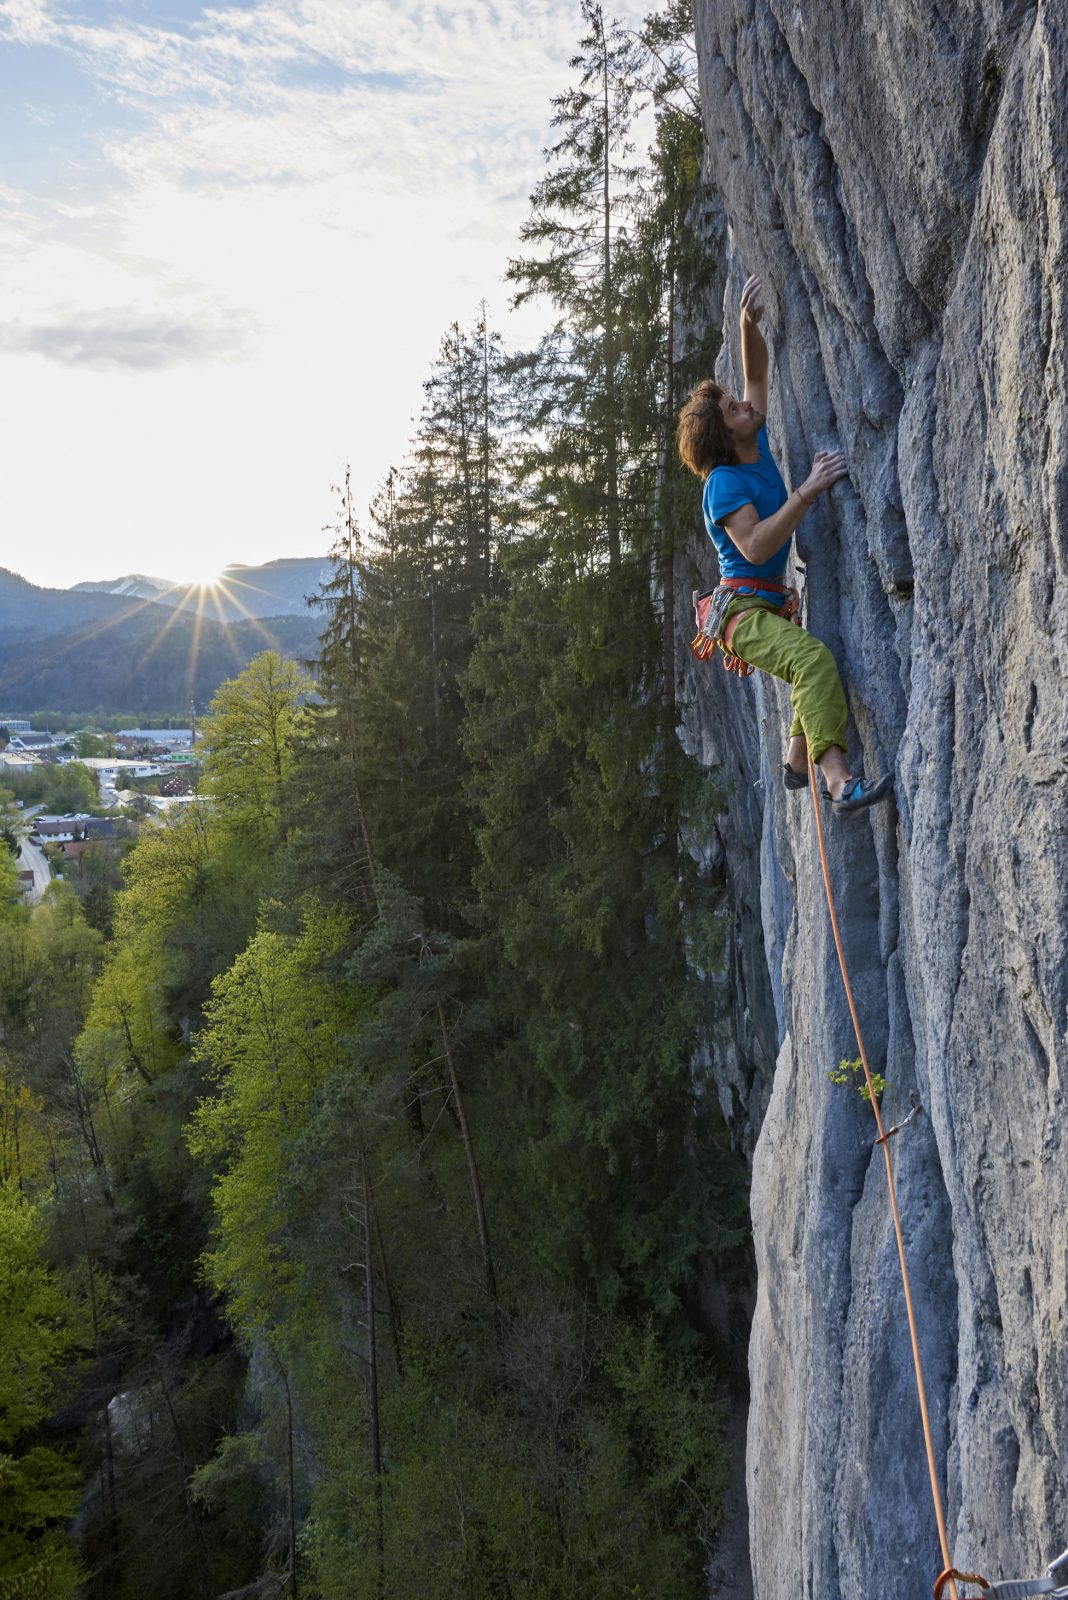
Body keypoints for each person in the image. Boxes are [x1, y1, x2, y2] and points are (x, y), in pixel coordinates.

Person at [677, 273, 893, 818]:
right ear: (726, 438)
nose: (743, 405)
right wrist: (806, 491)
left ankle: (797, 763)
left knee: (806, 665)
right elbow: (752, 544)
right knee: (813, 659)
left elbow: (758, 370)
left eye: (734, 402)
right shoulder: (723, 483)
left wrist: (746, 323)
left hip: (764, 601)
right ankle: (839, 785)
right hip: (741, 615)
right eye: (733, 410)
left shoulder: (755, 440)